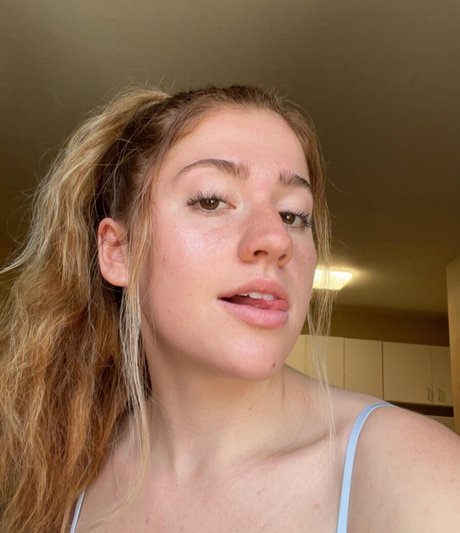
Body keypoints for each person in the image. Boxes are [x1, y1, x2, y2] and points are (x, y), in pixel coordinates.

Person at [1, 85, 459, 533]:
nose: (276, 239)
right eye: (211, 201)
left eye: (293, 215)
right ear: (118, 251)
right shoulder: (61, 471)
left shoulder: (417, 476)